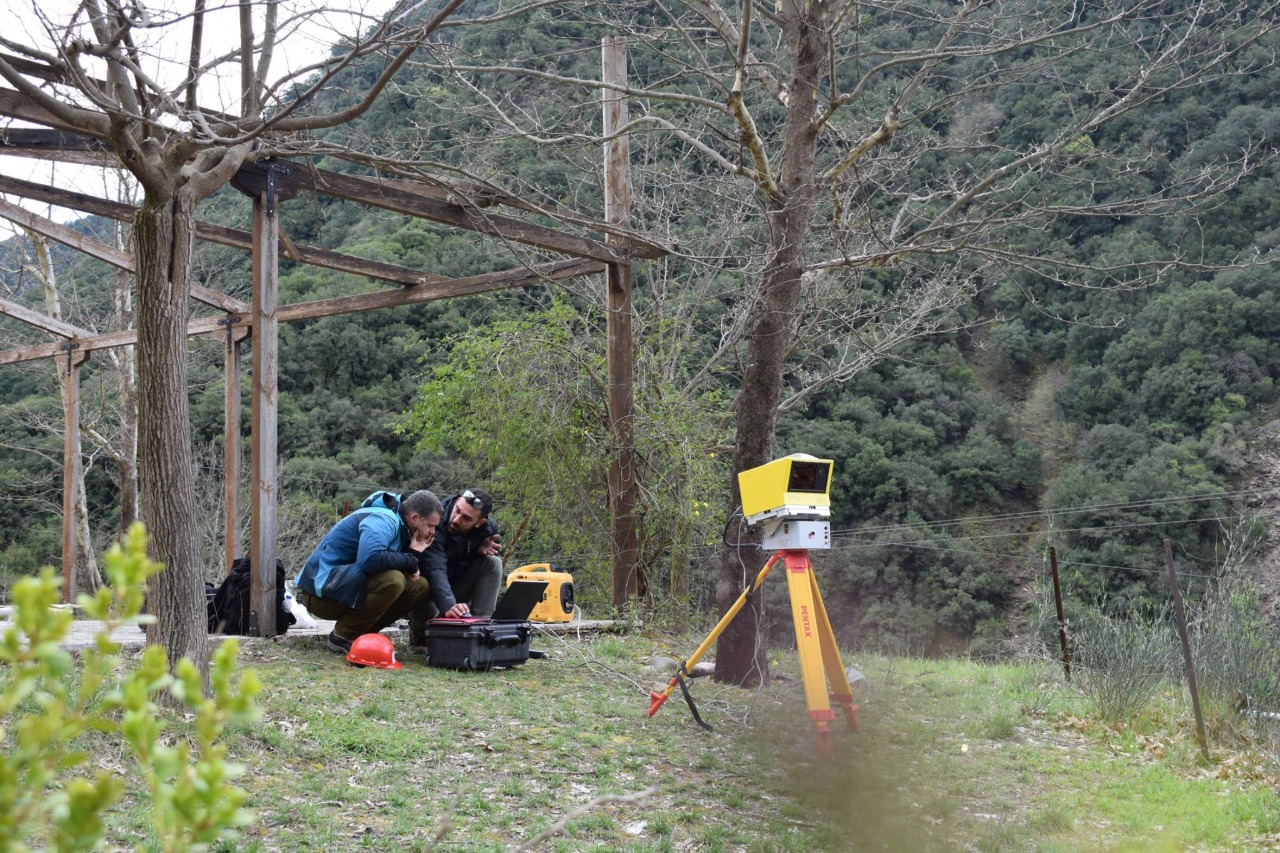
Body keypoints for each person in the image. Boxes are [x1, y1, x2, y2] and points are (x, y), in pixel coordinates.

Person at [295, 489, 445, 654]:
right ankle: (343, 637)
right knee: (393, 580)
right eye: (431, 525)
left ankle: (363, 636)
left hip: (342, 587)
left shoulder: (402, 527)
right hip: (320, 595)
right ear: (414, 517)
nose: (432, 532)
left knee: (419, 586)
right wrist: (410, 560)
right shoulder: (383, 519)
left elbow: (392, 563)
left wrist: (413, 554)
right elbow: (369, 560)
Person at [408, 488, 503, 648]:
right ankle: (420, 634)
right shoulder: (433, 523)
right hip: (427, 586)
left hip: (456, 584)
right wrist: (449, 605)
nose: (456, 519)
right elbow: (435, 567)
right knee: (423, 583)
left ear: (479, 523)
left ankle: (481, 629)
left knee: (493, 562)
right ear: (457, 500)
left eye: (466, 518)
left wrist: (477, 551)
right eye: (457, 510)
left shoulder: (487, 530)